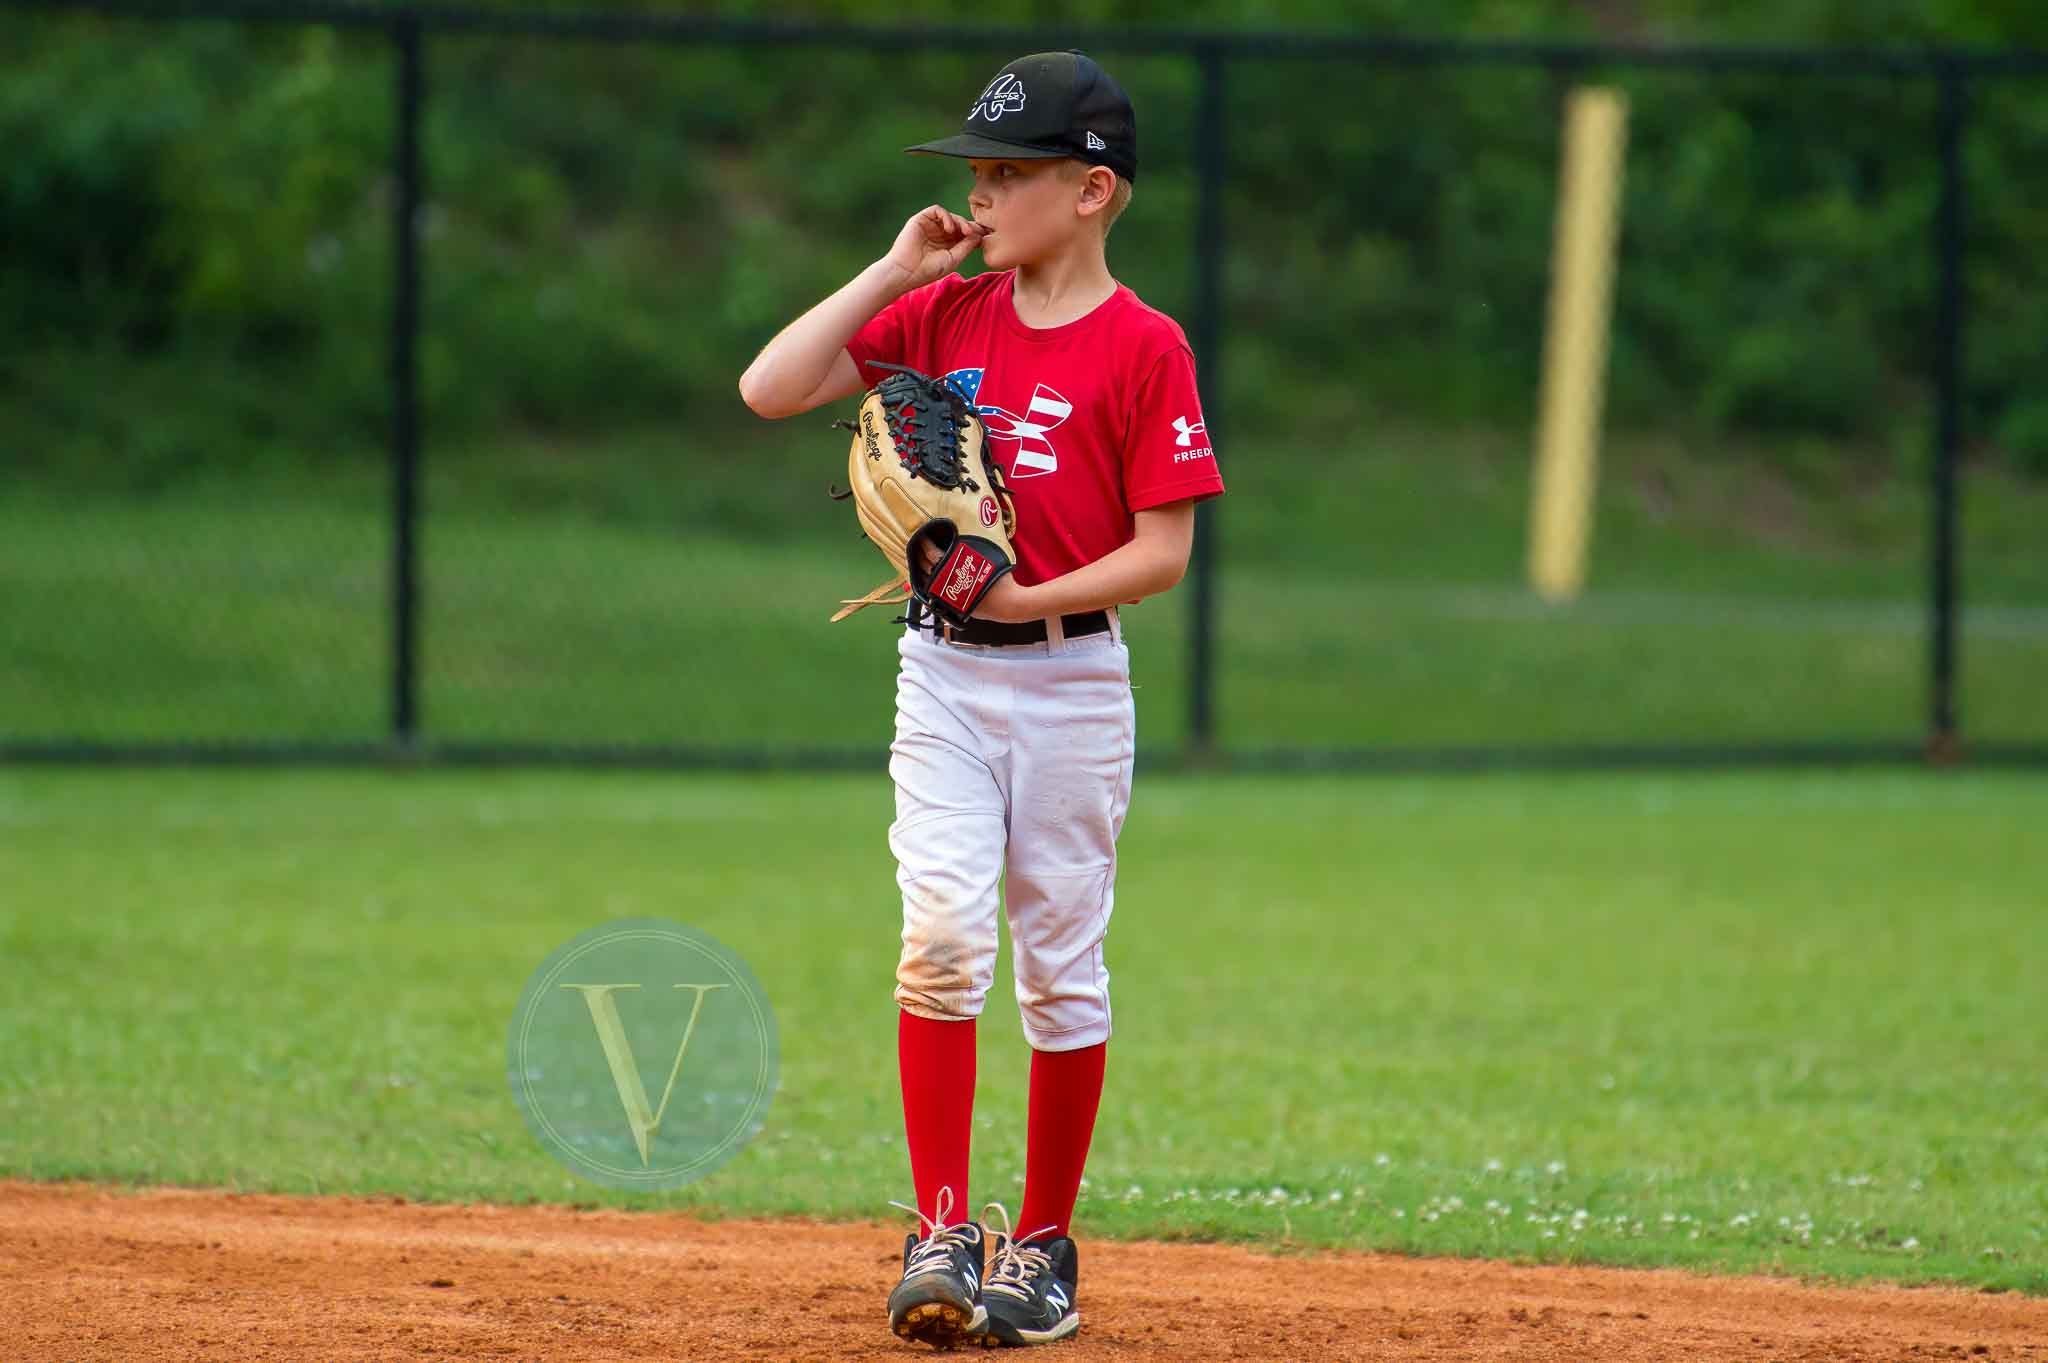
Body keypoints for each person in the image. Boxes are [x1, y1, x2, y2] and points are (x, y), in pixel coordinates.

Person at [737, 49, 1225, 1350]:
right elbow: (773, 387)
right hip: (942, 677)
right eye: (981, 174)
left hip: (1072, 681)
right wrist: (898, 271)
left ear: (1096, 193)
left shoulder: (1144, 347)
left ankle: (1046, 1249)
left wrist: (1019, 598)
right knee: (941, 939)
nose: (988, 196)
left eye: (1014, 174)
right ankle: (944, 1227)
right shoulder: (947, 318)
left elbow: (1165, 550)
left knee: (1060, 971)